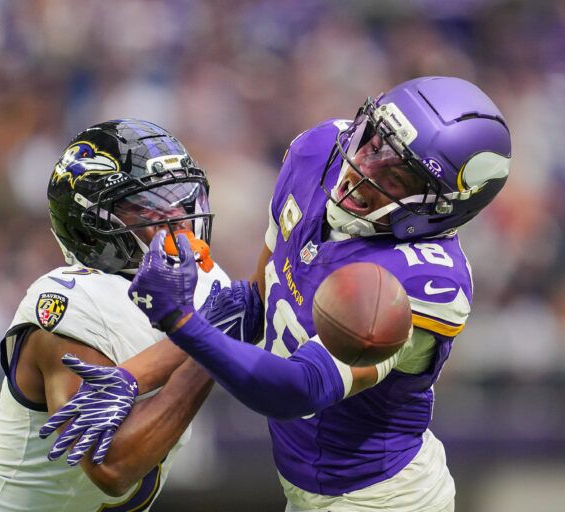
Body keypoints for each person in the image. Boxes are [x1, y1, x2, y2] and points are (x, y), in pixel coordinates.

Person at [50, 76, 512, 511]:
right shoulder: (319, 152)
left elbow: (299, 390)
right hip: (306, 487)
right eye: (374, 141)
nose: (363, 168)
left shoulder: (425, 281)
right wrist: (134, 376)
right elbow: (257, 300)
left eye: (396, 177)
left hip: (383, 498)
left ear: (441, 206)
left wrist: (181, 319)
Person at [0, 119, 235, 512]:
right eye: (150, 209)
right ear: (91, 227)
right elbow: (111, 465)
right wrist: (210, 345)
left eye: (184, 202)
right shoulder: (72, 301)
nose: (180, 223)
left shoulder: (205, 282)